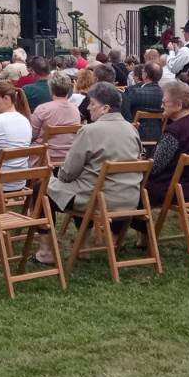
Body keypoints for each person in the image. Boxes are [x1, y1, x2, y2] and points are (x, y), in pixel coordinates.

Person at [37, 83, 143, 264]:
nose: (87, 107)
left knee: (40, 188)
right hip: (129, 197)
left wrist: (60, 176)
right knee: (85, 185)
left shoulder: (89, 130)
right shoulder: (131, 129)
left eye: (92, 103)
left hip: (97, 198)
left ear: (105, 108)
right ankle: (83, 245)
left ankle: (46, 251)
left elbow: (68, 173)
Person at [143, 81, 189, 214]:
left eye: (164, 102)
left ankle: (135, 233)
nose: (161, 105)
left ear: (178, 105)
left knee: (133, 188)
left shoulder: (175, 131)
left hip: (175, 190)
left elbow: (154, 167)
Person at [30, 71, 81, 167]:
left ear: (51, 89)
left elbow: (32, 135)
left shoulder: (43, 109)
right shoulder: (75, 110)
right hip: (67, 157)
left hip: (44, 158)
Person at [120, 63, 163, 132]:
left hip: (135, 132)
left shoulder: (134, 92)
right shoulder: (164, 93)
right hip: (158, 132)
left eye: (143, 71)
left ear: (145, 75)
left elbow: (124, 112)